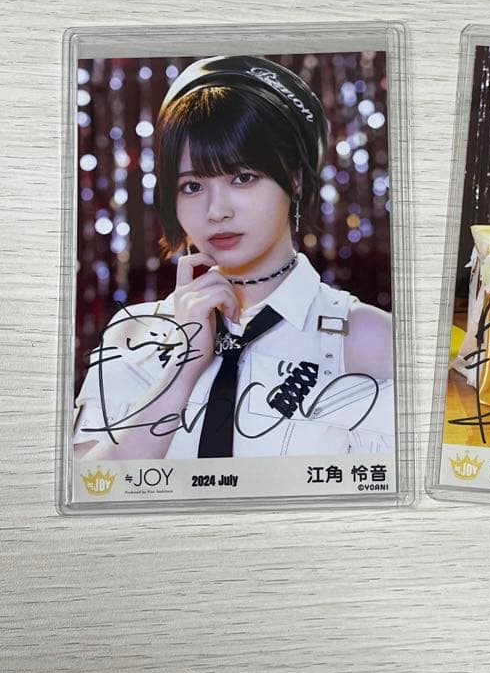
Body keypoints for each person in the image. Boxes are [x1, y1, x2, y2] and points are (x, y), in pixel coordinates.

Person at [74, 56, 394, 462]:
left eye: (243, 178)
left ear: (295, 180)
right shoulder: (132, 333)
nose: (216, 211)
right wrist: (183, 369)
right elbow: (91, 489)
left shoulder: (368, 337)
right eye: (192, 186)